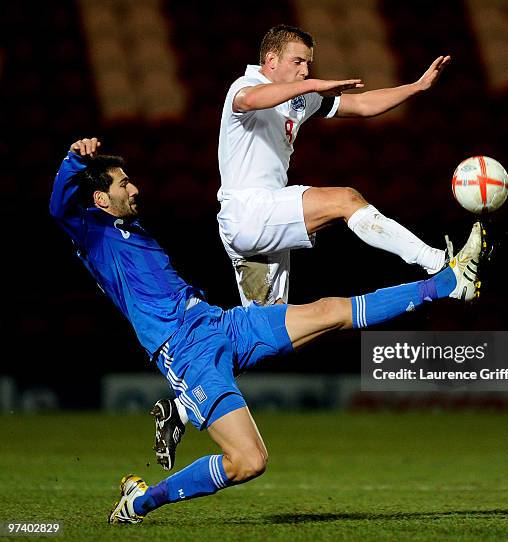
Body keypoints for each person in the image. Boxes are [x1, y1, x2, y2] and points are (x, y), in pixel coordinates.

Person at [51, 138, 483, 524]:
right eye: (123, 184)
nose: (134, 188)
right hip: (185, 351)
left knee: (329, 310)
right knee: (249, 461)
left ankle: (447, 283)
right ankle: (141, 501)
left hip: (218, 322)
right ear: (99, 199)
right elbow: (58, 207)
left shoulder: (128, 227)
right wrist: (73, 159)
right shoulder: (92, 233)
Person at [218, 24, 453, 306]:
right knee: (345, 199)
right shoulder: (244, 87)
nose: (305, 70)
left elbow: (363, 105)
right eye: (297, 62)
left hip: (266, 218)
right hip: (248, 211)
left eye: (308, 63)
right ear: (271, 60)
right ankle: (439, 262)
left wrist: (416, 87)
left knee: (269, 331)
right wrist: (314, 85)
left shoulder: (299, 100)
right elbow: (254, 99)